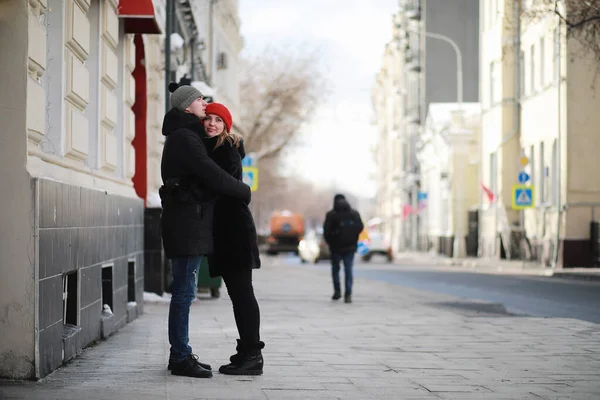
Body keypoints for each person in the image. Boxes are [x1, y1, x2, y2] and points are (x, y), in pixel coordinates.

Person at [160, 83, 251, 378]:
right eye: (200, 99)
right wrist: (243, 189)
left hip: (189, 222)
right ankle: (180, 357)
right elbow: (209, 173)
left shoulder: (187, 134)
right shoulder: (186, 137)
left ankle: (181, 354)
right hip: (187, 224)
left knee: (185, 292)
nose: (204, 104)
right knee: (184, 293)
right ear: (188, 106)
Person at [201, 102, 264, 376]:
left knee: (242, 294)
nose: (212, 123)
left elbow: (218, 185)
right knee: (238, 295)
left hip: (235, 231)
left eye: (218, 120)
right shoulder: (216, 147)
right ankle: (246, 351)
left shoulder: (224, 149)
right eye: (208, 119)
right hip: (228, 230)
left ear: (226, 125)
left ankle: (253, 355)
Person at [323, 194, 364, 303]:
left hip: (335, 248)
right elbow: (360, 227)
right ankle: (348, 294)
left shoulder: (331, 215)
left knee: (336, 270)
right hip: (350, 247)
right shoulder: (354, 214)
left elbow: (326, 232)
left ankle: (337, 292)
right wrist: (353, 238)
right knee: (348, 270)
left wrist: (331, 242)